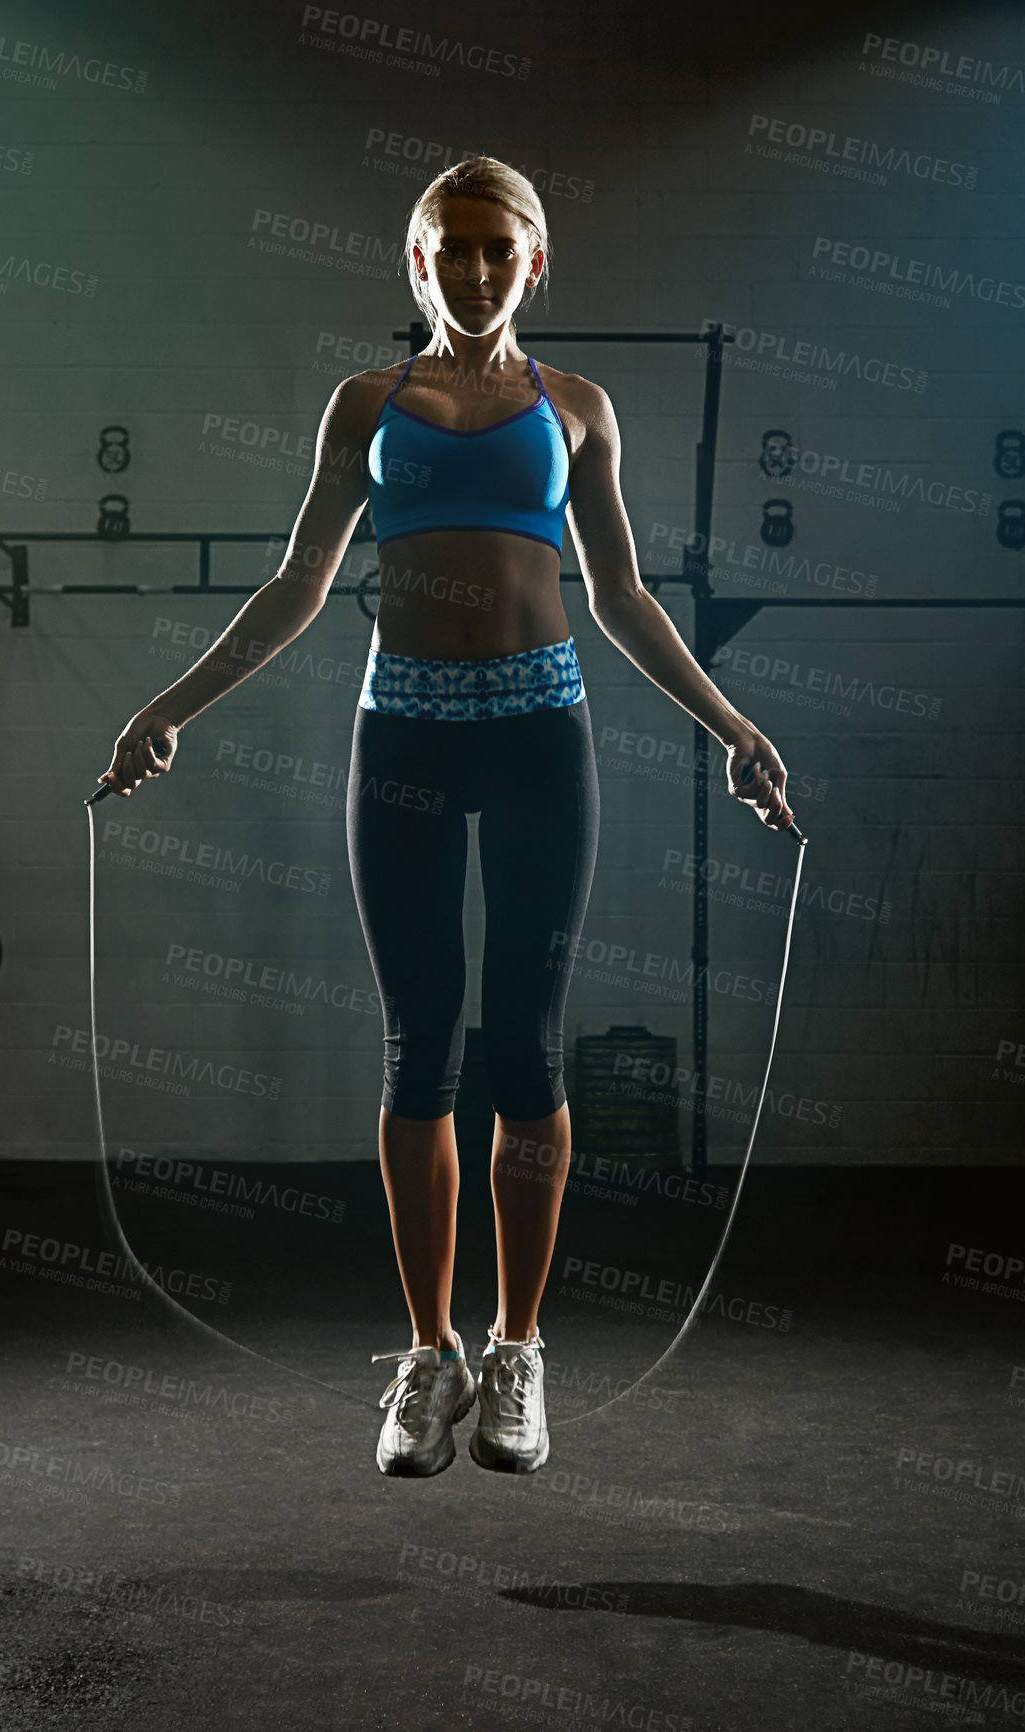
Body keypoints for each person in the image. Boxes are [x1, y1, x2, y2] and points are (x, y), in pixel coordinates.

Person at [98, 155, 794, 1483]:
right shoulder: (366, 404)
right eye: (445, 250)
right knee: (418, 1047)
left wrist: (736, 727)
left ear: (534, 264)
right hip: (403, 730)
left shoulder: (576, 408)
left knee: (526, 1052)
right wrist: (168, 706)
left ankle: (517, 1353)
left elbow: (624, 598)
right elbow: (300, 582)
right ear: (412, 266)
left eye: (495, 249)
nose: (470, 271)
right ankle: (430, 1356)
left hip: (541, 738)